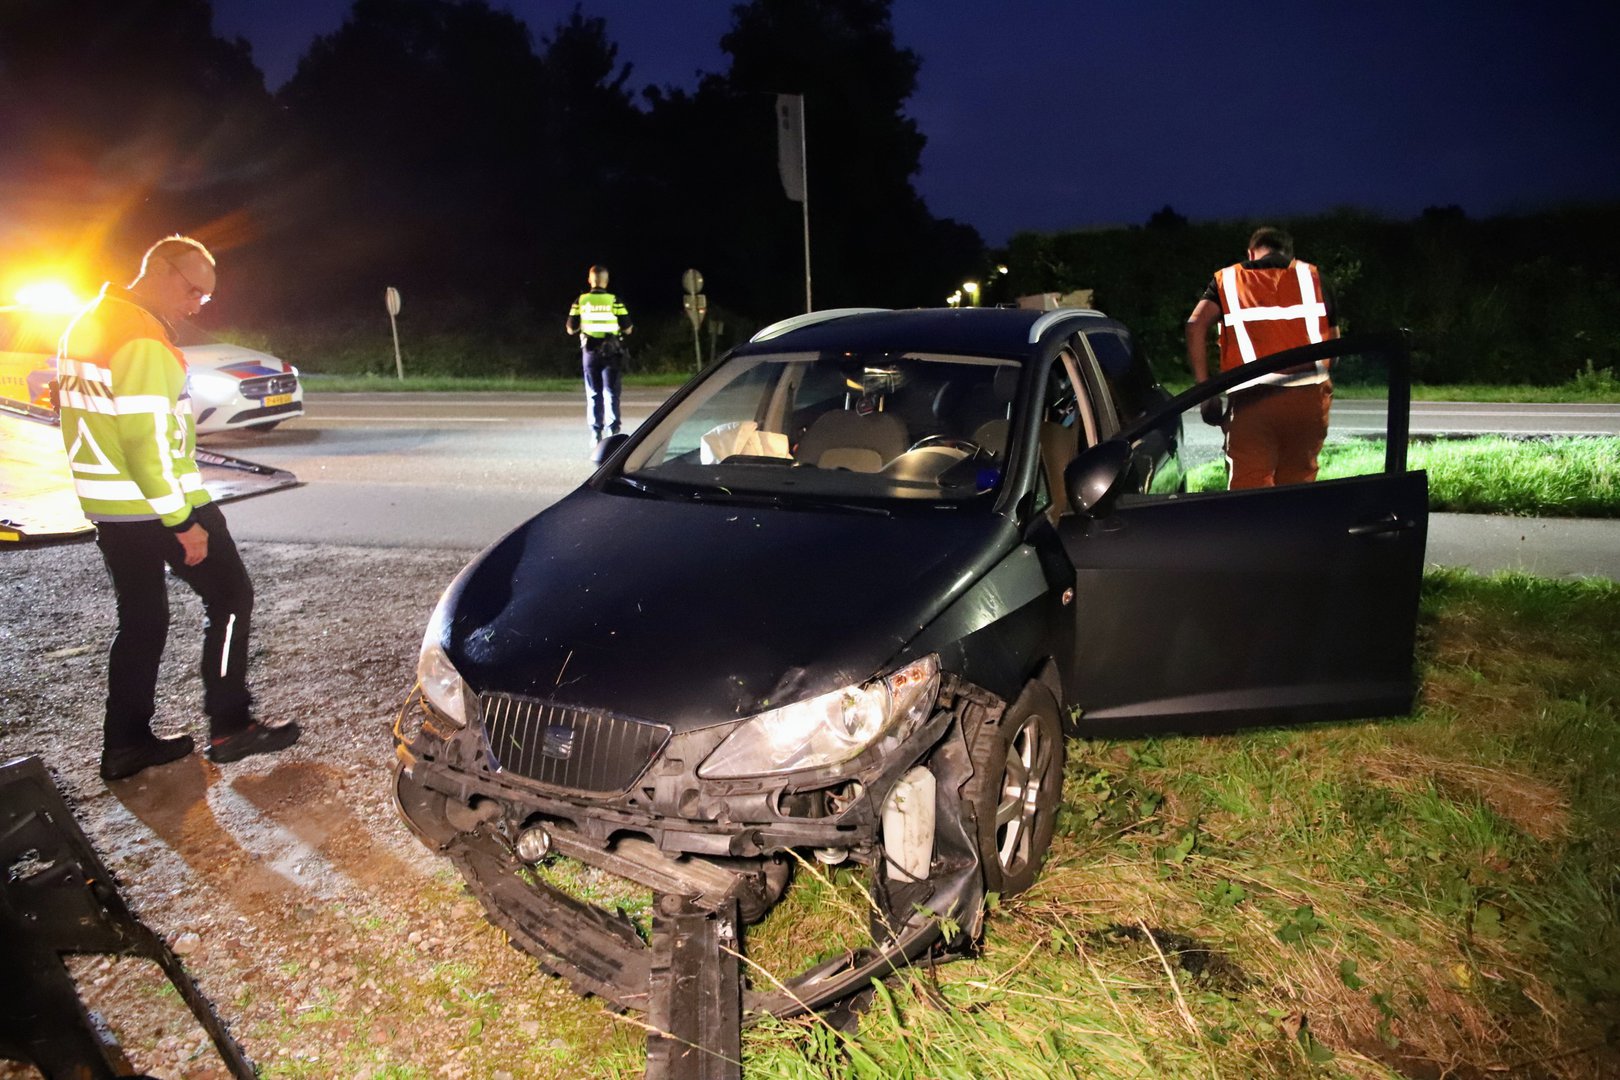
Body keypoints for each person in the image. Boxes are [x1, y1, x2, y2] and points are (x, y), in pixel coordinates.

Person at [57, 235, 300, 782]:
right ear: (159, 271)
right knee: (232, 597)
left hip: (109, 503)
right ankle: (231, 726)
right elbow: (147, 444)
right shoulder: (142, 338)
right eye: (193, 291)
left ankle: (124, 744)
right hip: (155, 502)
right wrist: (183, 521)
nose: (196, 305)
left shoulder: (90, 322)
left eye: (205, 299)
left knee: (142, 622)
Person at [1184, 226, 1337, 489]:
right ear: (1290, 254)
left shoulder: (1228, 279)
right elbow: (1334, 344)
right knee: (1297, 488)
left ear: (1251, 252)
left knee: (1249, 496)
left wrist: (1206, 392)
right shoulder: (1314, 277)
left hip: (1252, 403)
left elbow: (1195, 324)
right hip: (1309, 402)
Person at [565, 265, 633, 446]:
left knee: (594, 393)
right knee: (611, 392)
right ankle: (613, 431)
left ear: (590, 280)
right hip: (611, 352)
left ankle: (596, 434)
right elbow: (628, 328)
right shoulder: (614, 300)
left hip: (590, 352)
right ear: (606, 281)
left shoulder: (580, 301)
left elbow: (571, 329)